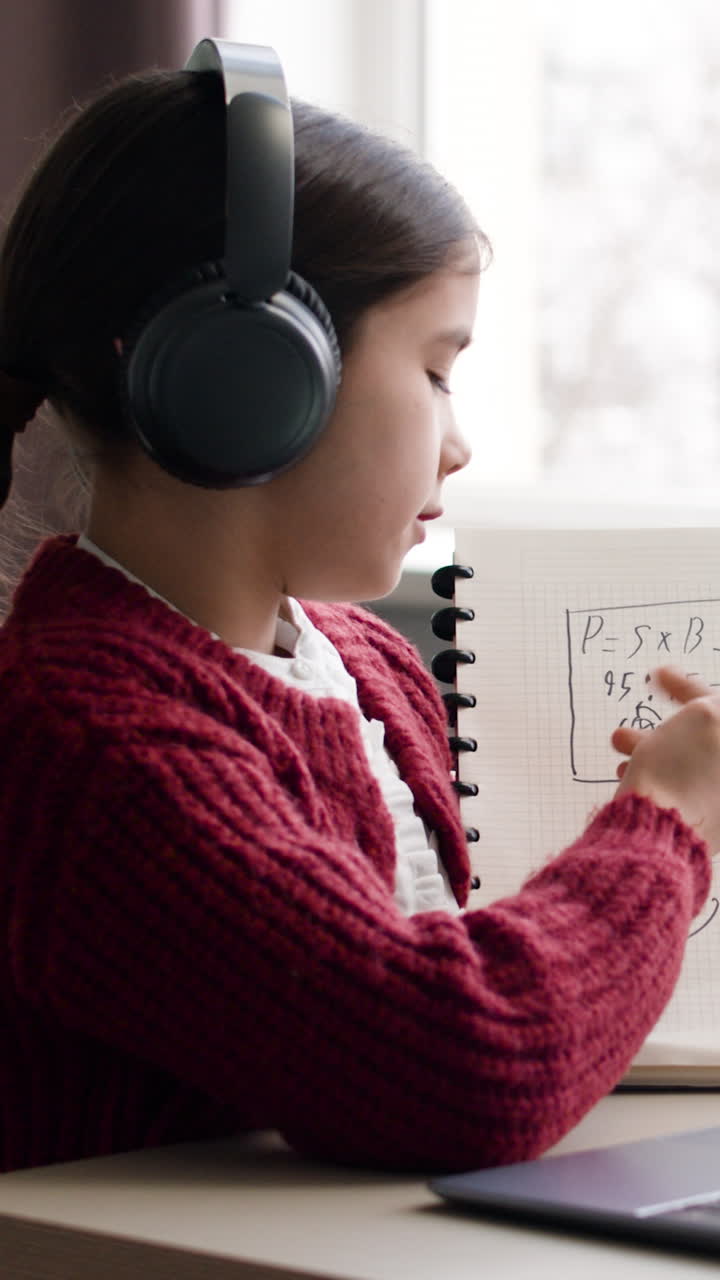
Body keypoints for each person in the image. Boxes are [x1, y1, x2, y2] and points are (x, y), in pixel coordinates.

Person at [0, 45, 716, 1178]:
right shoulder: (90, 745)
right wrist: (670, 818)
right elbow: (459, 1063)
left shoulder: (367, 669)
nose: (461, 438)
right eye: (436, 372)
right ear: (256, 376)